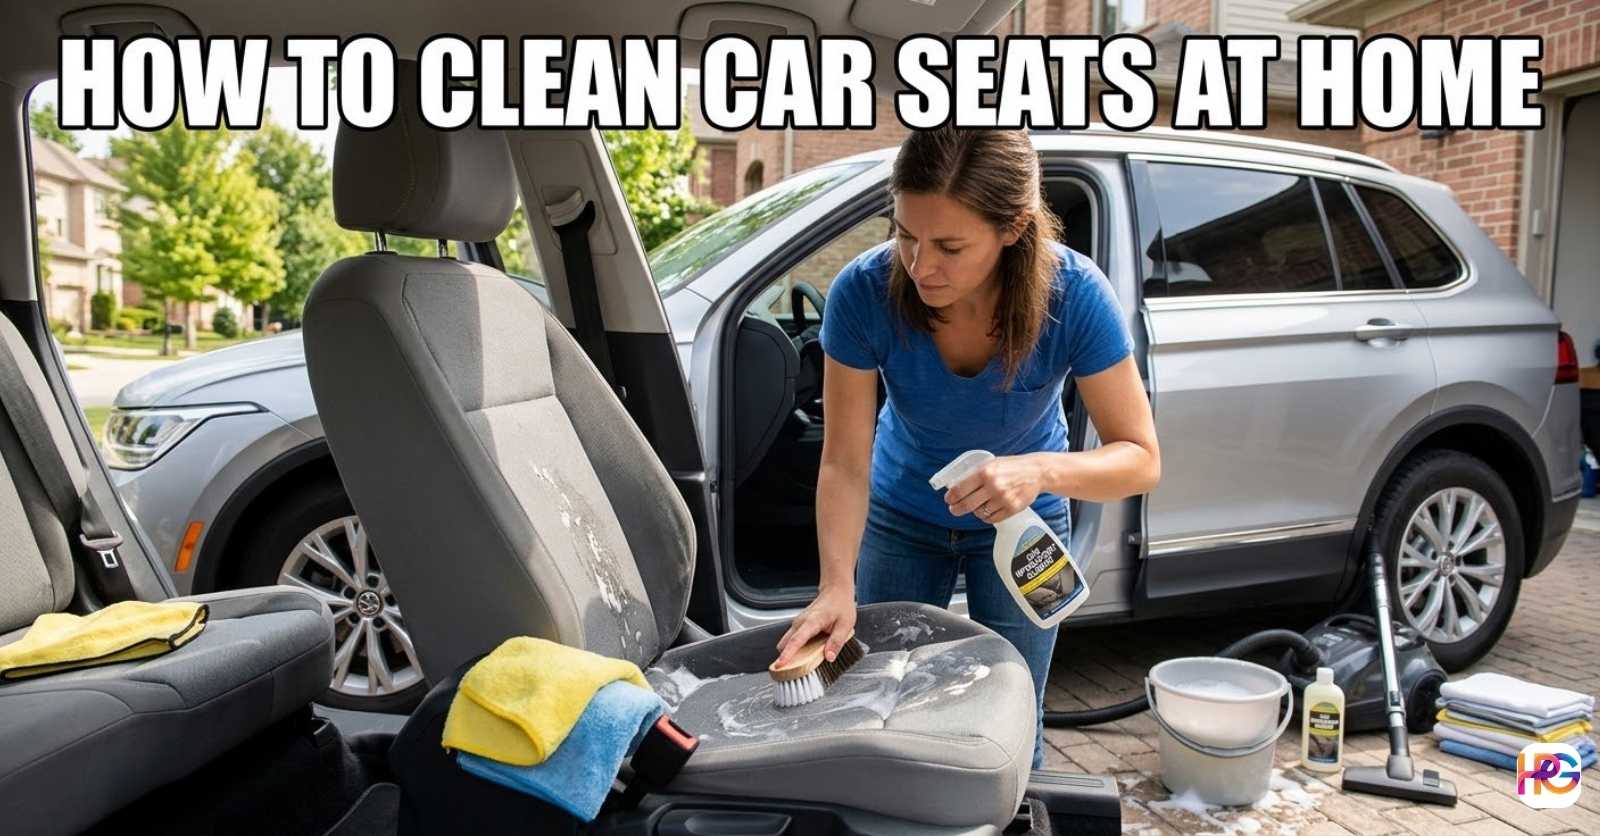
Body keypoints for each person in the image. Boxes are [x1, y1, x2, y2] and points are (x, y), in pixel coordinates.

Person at [773, 126, 1161, 768]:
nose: (921, 266)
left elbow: (1141, 458)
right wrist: (834, 585)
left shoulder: (1075, 295)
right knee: (887, 714)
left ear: (1012, 229)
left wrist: (1037, 472)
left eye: (949, 245)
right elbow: (844, 460)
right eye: (905, 234)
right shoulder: (864, 293)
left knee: (1011, 724)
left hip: (1024, 526)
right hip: (900, 521)